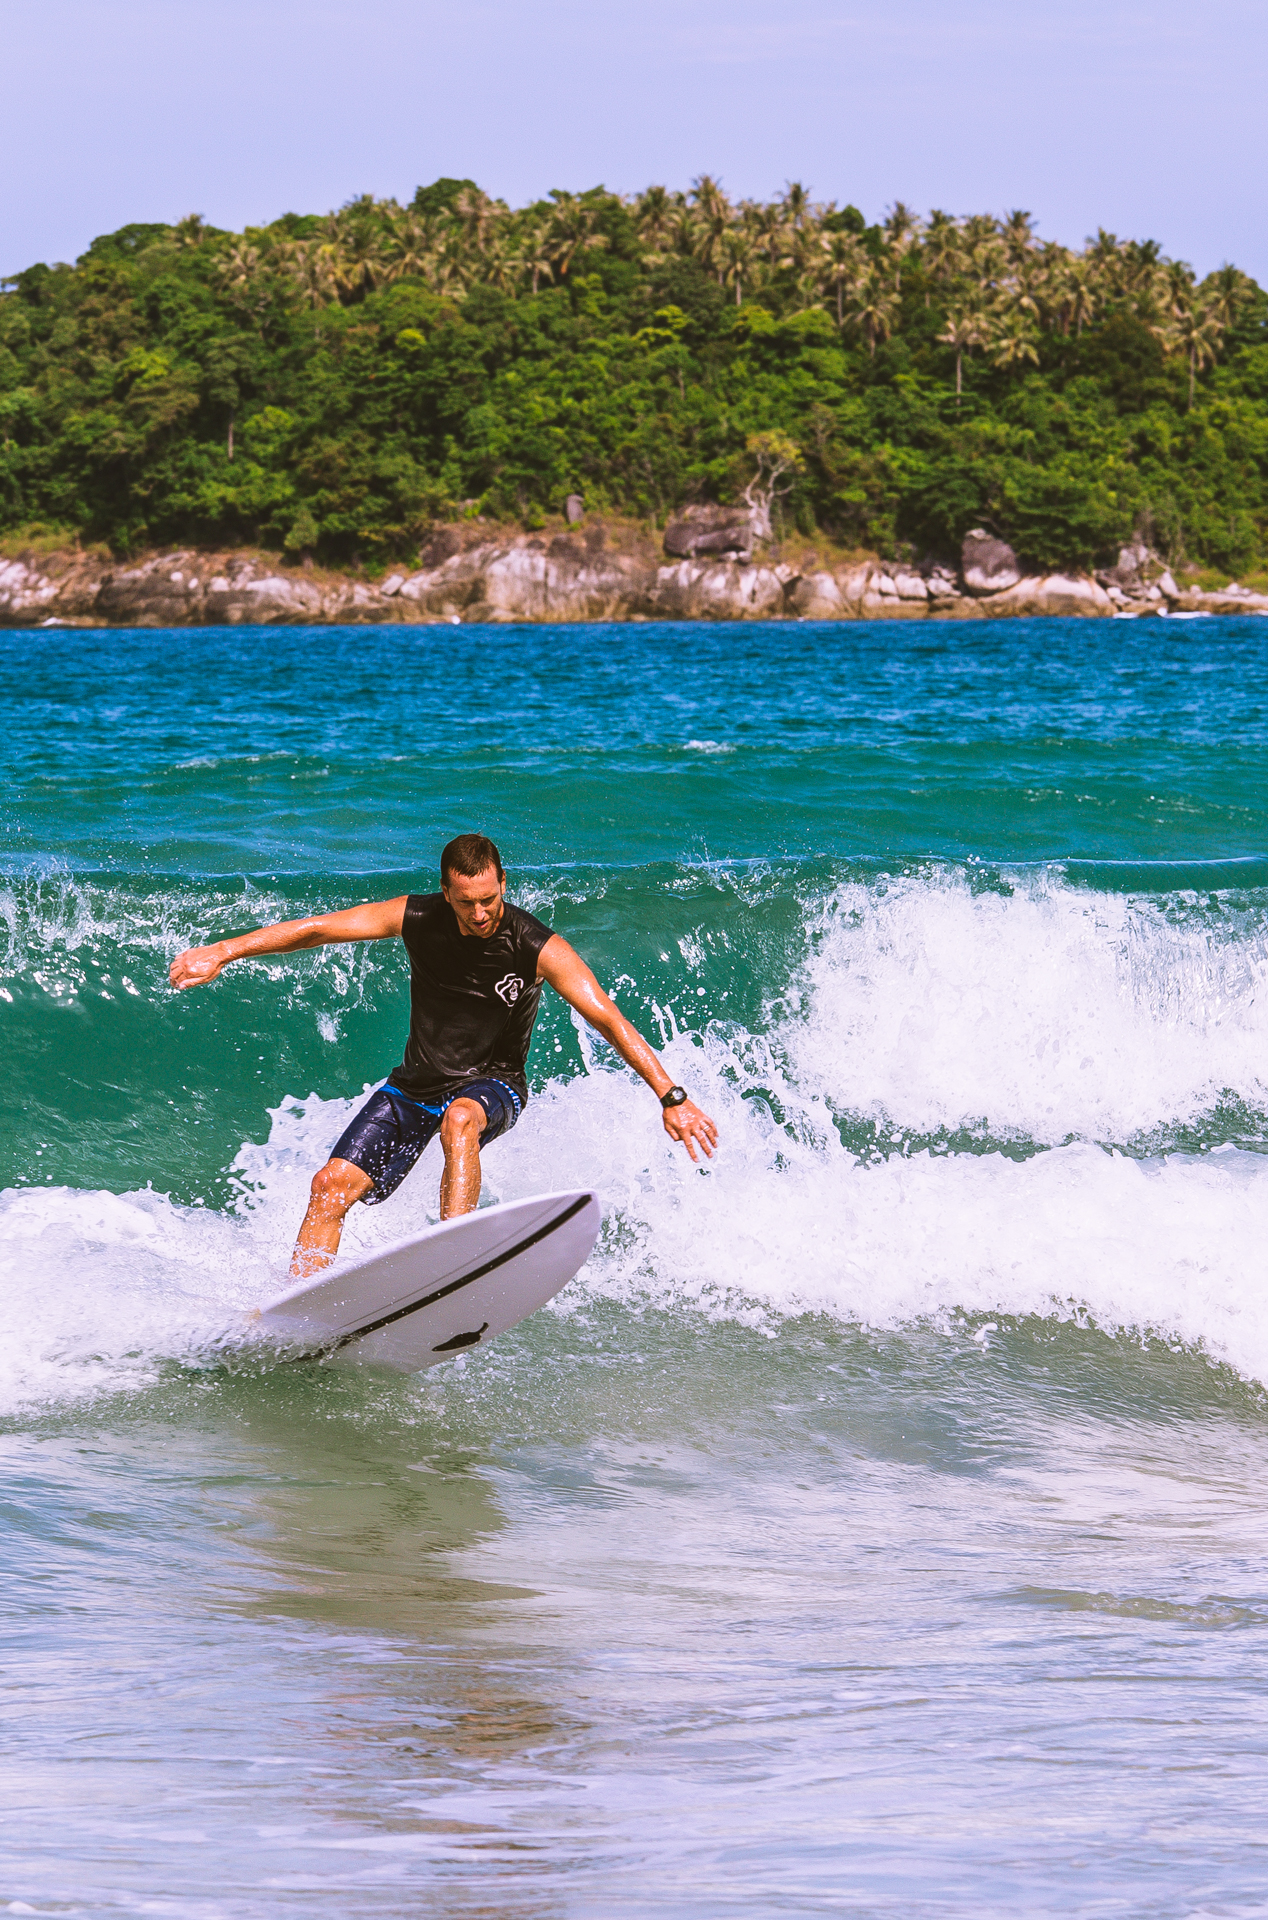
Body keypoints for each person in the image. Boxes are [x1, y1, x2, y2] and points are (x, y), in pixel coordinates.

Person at [169, 833, 718, 1277]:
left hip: (493, 1085)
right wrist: (223, 950)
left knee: (461, 1119)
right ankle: (300, 1308)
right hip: (415, 1085)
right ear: (445, 892)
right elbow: (318, 930)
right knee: (328, 1186)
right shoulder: (417, 917)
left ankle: (453, 1260)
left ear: (503, 883)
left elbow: (609, 1020)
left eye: (489, 899)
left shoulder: (535, 946)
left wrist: (672, 1097)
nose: (480, 913)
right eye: (465, 902)